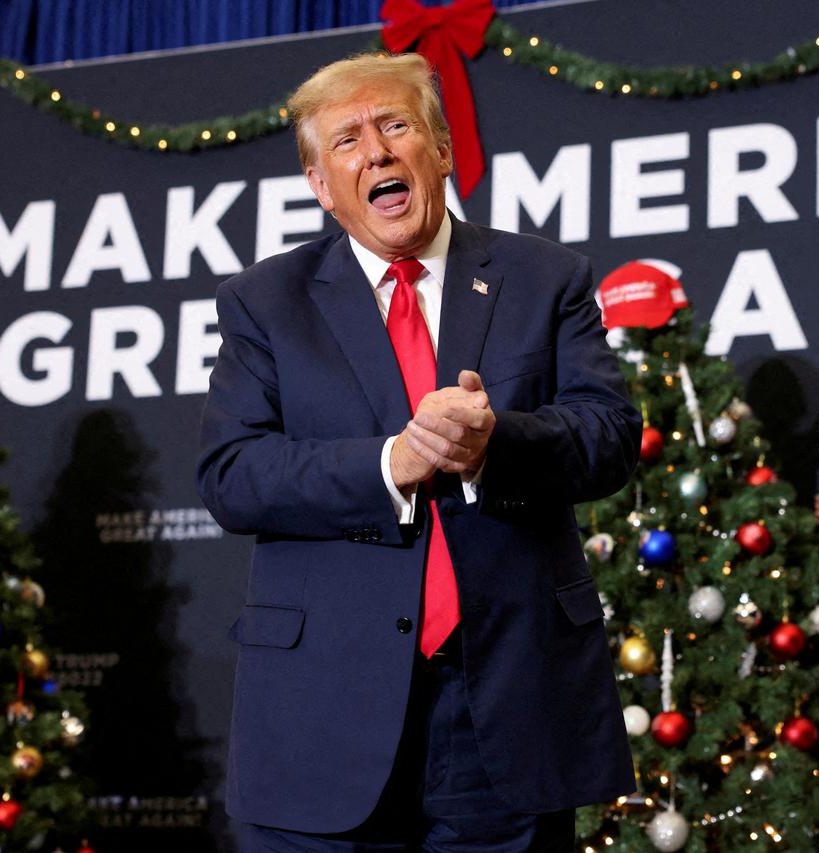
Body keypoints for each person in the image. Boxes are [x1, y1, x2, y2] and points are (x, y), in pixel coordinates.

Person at [196, 52, 640, 851]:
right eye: (347, 141)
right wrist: (390, 463)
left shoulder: (544, 278)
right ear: (321, 185)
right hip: (321, 713)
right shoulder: (264, 303)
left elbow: (608, 435)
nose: (377, 152)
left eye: (396, 126)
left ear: (439, 149)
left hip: (501, 709)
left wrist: (492, 443)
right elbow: (233, 474)